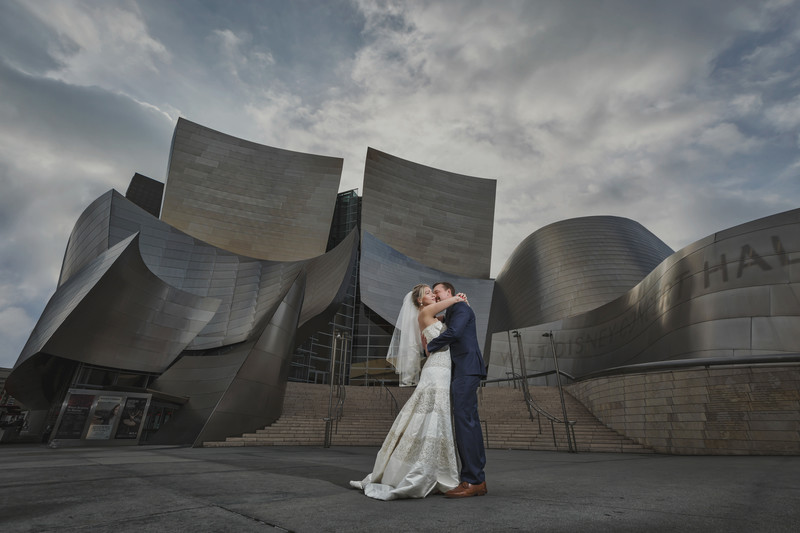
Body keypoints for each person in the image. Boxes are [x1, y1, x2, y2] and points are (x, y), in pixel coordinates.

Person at [350, 284, 467, 500]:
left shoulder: (431, 316)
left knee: (435, 416)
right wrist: (458, 298)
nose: (433, 294)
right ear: (420, 301)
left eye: (434, 292)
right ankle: (421, 470)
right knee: (432, 414)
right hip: (437, 372)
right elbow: (451, 304)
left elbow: (433, 339)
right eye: (429, 293)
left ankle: (431, 468)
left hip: (440, 367)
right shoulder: (425, 312)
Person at [426, 281, 488, 498]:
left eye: (437, 292)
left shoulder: (460, 307)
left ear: (449, 292)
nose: (435, 296)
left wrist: (430, 346)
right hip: (461, 369)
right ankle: (476, 479)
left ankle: (473, 480)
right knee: (466, 421)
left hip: (467, 368)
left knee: (465, 422)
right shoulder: (453, 310)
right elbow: (433, 317)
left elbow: (455, 332)